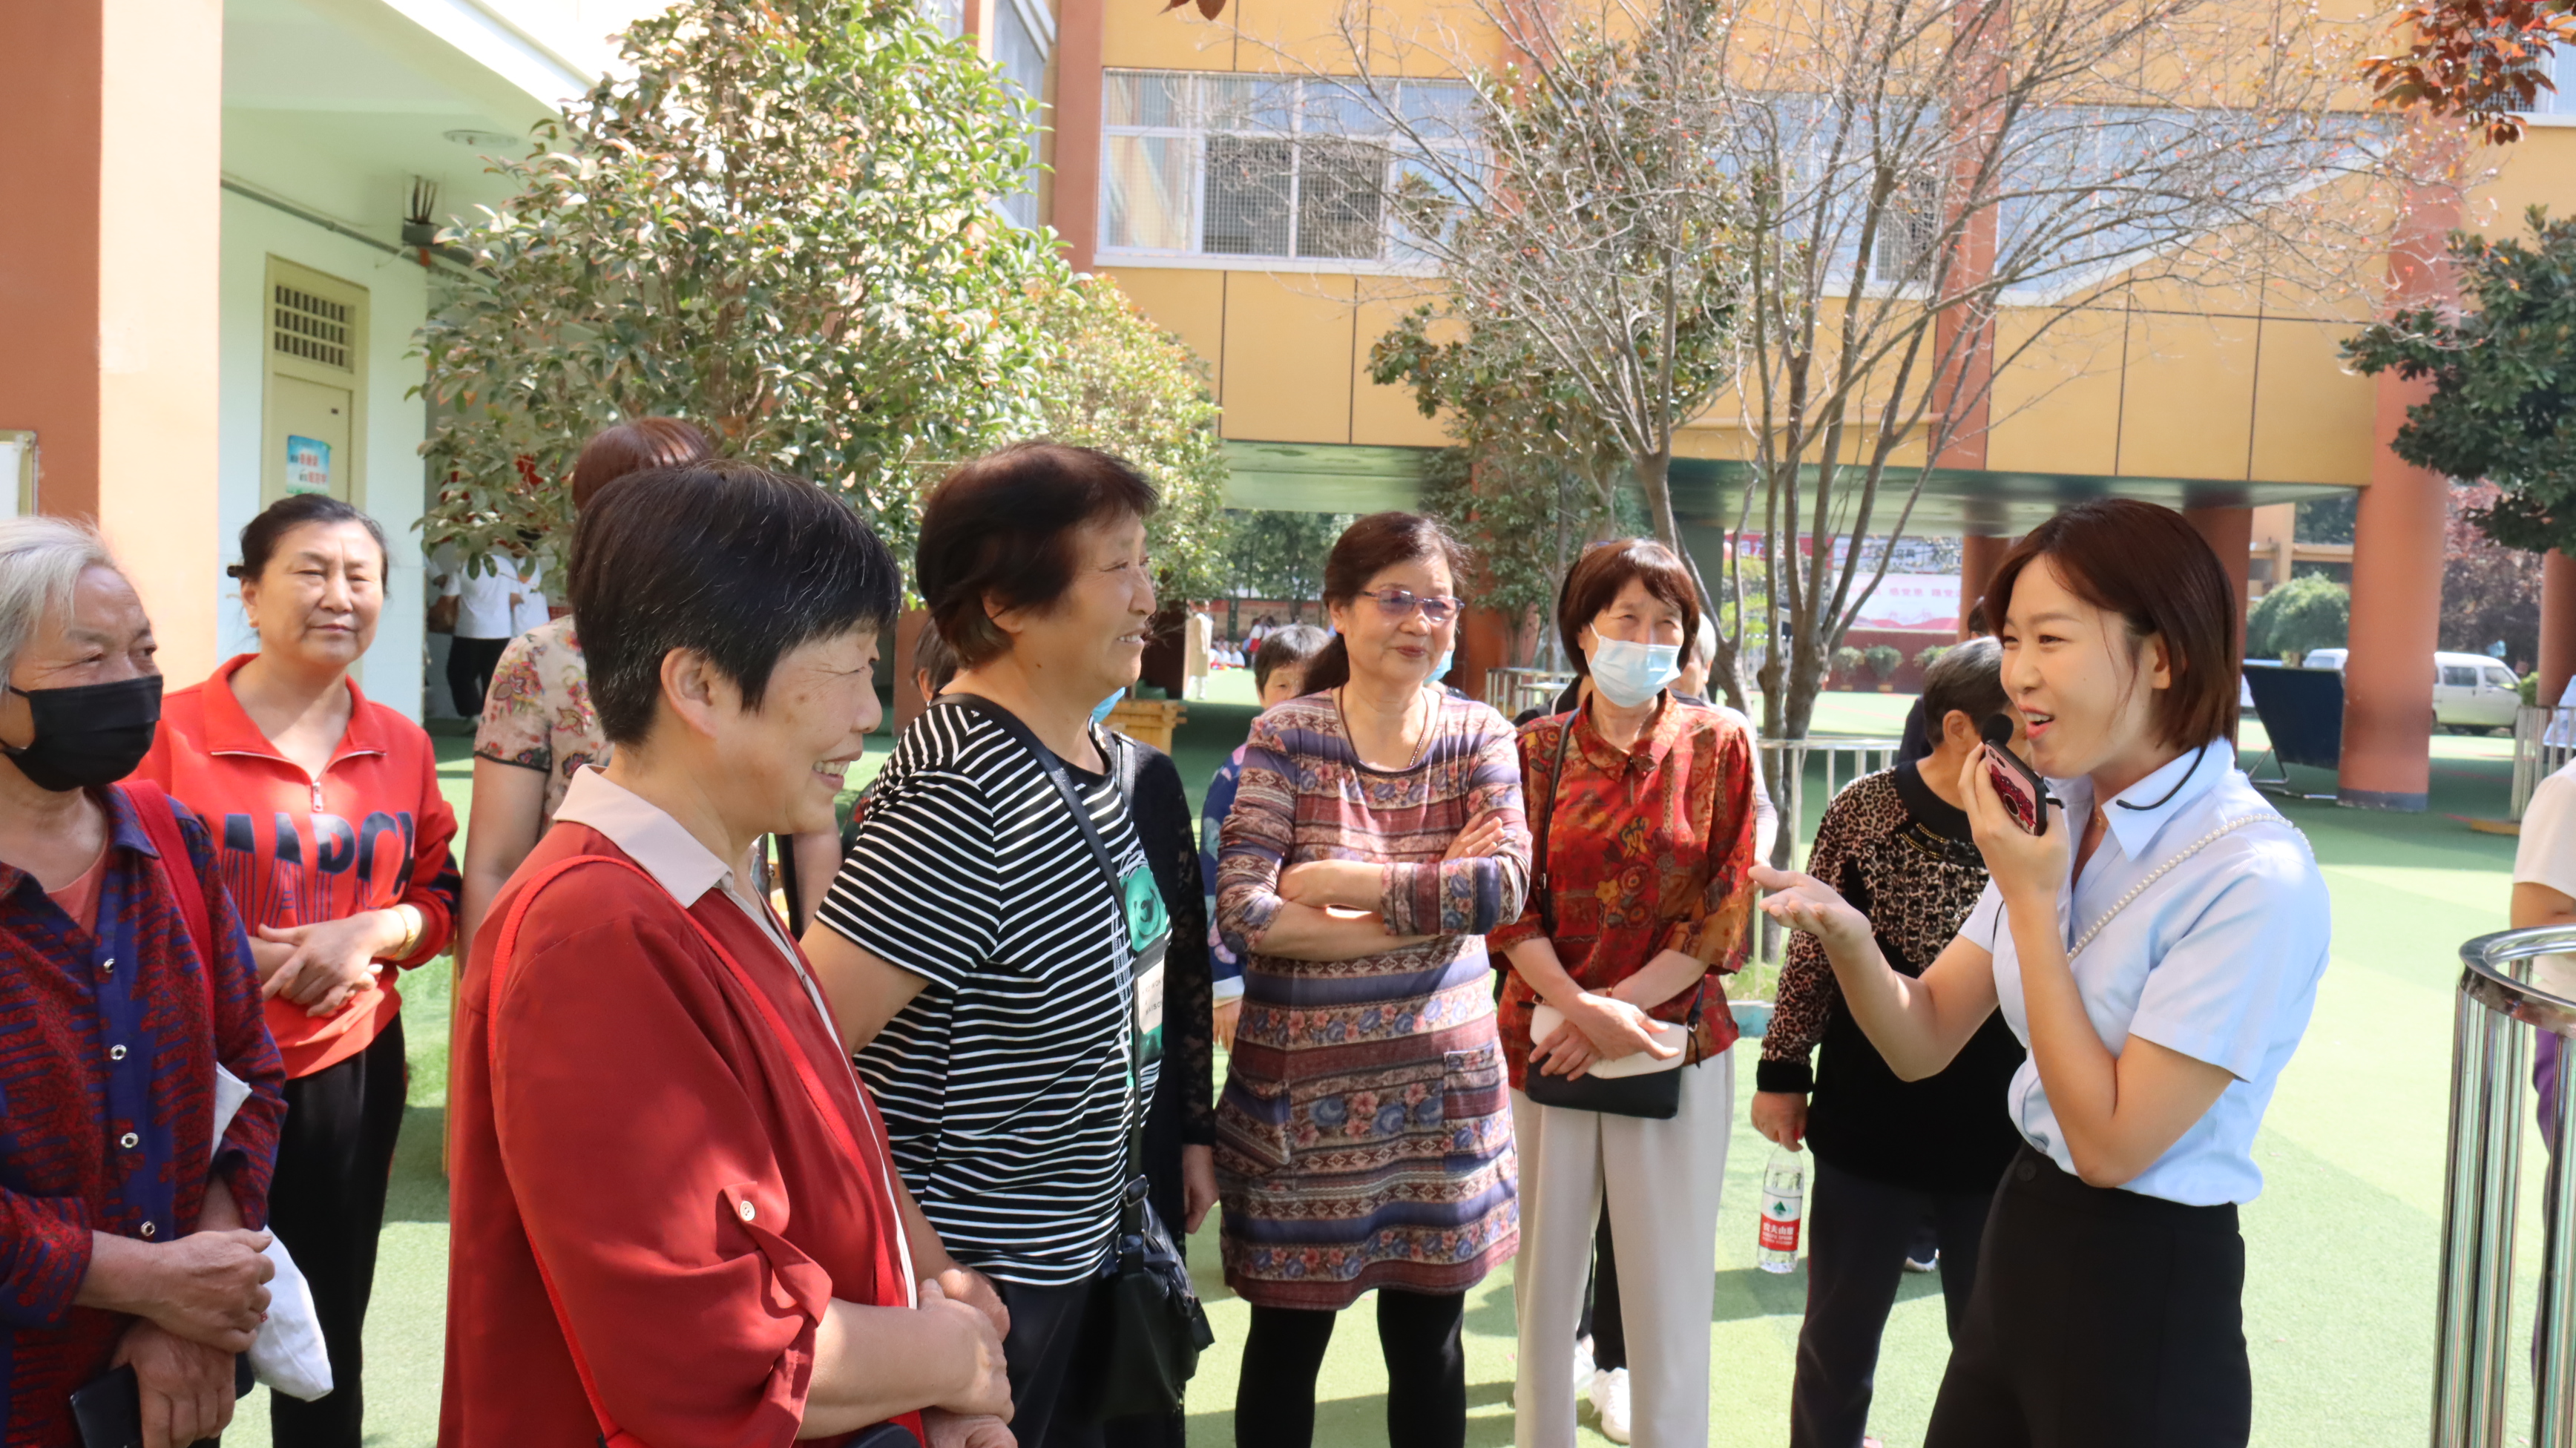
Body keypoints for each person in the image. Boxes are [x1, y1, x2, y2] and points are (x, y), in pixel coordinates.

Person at [444, 460, 1013, 1447]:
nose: (869, 712)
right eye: (846, 668)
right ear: (699, 685)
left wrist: (930, 1344)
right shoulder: (600, 935)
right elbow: (706, 1355)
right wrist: (950, 1355)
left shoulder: (709, 886)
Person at [1755, 498, 2331, 1448]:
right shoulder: (2060, 811)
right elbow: (1922, 1034)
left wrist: (2030, 897)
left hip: (2143, 1284)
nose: (2017, 672)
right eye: (2011, 638)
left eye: (2051, 638)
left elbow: (2109, 1145)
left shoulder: (2250, 873)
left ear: (2162, 655)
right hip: (2021, 1227)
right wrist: (1850, 936)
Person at [805, 442, 1217, 1448]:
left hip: (1079, 1257)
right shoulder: (962, 794)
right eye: (1116, 566)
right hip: (984, 1297)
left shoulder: (1092, 759)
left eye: (1145, 563)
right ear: (1006, 604)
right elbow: (805, 1050)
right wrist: (935, 1274)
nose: (1147, 597)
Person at [134, 494, 459, 1448]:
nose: (339, 596)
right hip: (191, 1074)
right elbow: (116, 896)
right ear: (250, 592)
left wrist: (373, 930)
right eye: (311, 571)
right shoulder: (167, 733)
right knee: (186, 1334)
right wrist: (235, 955)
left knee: (330, 1337)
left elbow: (439, 894)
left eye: (362, 577)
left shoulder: (402, 743)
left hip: (347, 1070)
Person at [1212, 511, 1528, 1448]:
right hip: (1301, 1117)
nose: (1420, 621)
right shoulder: (1287, 736)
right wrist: (1431, 902)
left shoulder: (1478, 733)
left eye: (1439, 603)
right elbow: (1246, 910)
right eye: (1396, 598)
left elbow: (1502, 888)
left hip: (1443, 1108)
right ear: (1340, 609)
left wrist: (1343, 883)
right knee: (1286, 1345)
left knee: (1429, 1345)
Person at [0, 517, 288, 1448]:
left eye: (145, 651)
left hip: (167, 1400)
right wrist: (153, 1281)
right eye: (90, 658)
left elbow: (248, 1070)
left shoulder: (168, 837)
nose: (129, 680)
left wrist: (196, 1290)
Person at [1491, 539, 1759, 1448]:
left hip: (1675, 1043)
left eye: (1666, 624)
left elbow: (1725, 906)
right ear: (1583, 630)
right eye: (1627, 619)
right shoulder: (1532, 750)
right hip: (1547, 1042)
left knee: (1669, 1287)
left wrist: (1618, 1013)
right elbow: (1507, 905)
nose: (1647, 640)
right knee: (1543, 1286)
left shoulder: (1720, 744)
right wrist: (1582, 1011)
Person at [1752, 637, 2031, 1448]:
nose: (2042, 737)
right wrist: (1781, 1069)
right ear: (1963, 727)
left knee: (1992, 1345)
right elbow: (1813, 950)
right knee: (1838, 1338)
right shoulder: (1866, 807)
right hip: (1867, 1122)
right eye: (2023, 718)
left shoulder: (2042, 825)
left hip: (1999, 1132)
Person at [461, 418, 719, 955]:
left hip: (724, 949)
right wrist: (487, 990)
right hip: (578, 952)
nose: (665, 530)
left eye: (690, 506)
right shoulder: (541, 659)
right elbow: (495, 863)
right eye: (635, 507)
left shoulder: (751, 650)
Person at [1200, 622, 1330, 1051]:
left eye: (1309, 684)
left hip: (1329, 971)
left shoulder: (1342, 769)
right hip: (1257, 973)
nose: (1295, 696)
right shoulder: (1236, 774)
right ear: (1260, 692)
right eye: (1282, 684)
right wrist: (1226, 987)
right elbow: (1213, 880)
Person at [436, 535, 545, 719]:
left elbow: (447, 599)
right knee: (494, 677)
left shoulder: (464, 566)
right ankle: (494, 717)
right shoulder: (506, 566)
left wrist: (438, 616)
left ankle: (473, 714)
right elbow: (514, 599)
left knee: (460, 675)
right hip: (501, 632)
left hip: (470, 631)